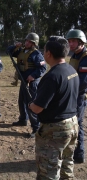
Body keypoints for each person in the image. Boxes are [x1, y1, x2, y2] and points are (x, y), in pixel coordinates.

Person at [29, 36, 79, 179]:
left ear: (48, 53)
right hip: (72, 124)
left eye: (44, 50)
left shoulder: (52, 76)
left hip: (55, 129)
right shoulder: (71, 69)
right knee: (66, 166)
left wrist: (31, 105)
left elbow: (38, 108)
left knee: (48, 172)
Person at [7, 32, 47, 137]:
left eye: (29, 41)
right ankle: (23, 119)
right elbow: (9, 51)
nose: (27, 42)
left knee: (31, 105)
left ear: (34, 43)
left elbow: (43, 68)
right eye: (26, 40)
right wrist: (15, 46)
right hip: (23, 81)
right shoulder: (22, 51)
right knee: (21, 102)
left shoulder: (36, 54)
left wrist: (33, 76)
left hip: (32, 83)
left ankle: (36, 127)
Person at [66, 29, 87, 164]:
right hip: (73, 94)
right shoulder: (75, 55)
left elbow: (83, 82)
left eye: (73, 41)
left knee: (78, 124)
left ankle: (79, 154)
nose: (71, 44)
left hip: (79, 96)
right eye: (69, 41)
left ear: (81, 42)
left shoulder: (85, 57)